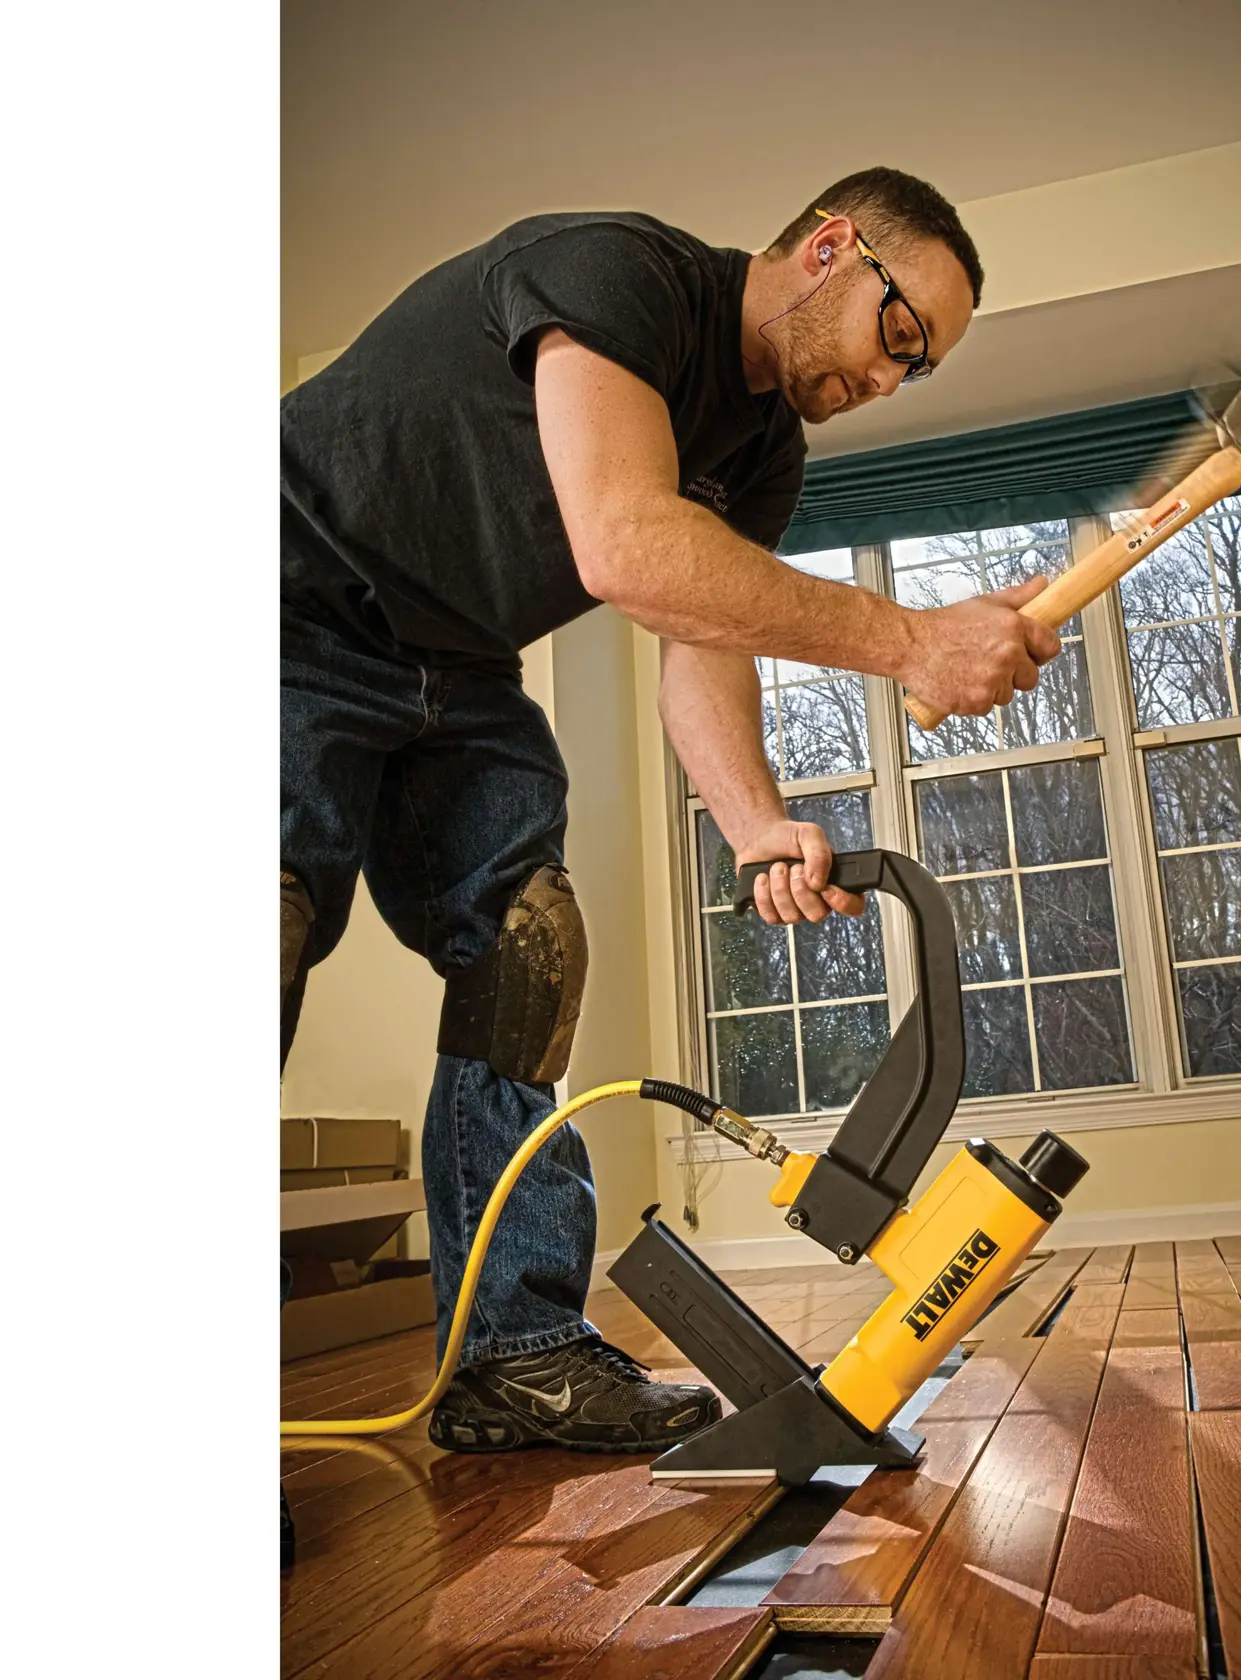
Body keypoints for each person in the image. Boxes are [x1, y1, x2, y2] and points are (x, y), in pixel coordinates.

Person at [279, 166, 1061, 1462]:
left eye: (915, 372)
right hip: (286, 574)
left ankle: (512, 1356)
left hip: (453, 661)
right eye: (899, 332)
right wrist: (912, 638)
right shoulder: (623, 274)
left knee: (532, 952)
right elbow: (627, 547)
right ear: (829, 248)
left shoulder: (764, 450)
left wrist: (753, 822)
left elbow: (697, 633)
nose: (888, 377)